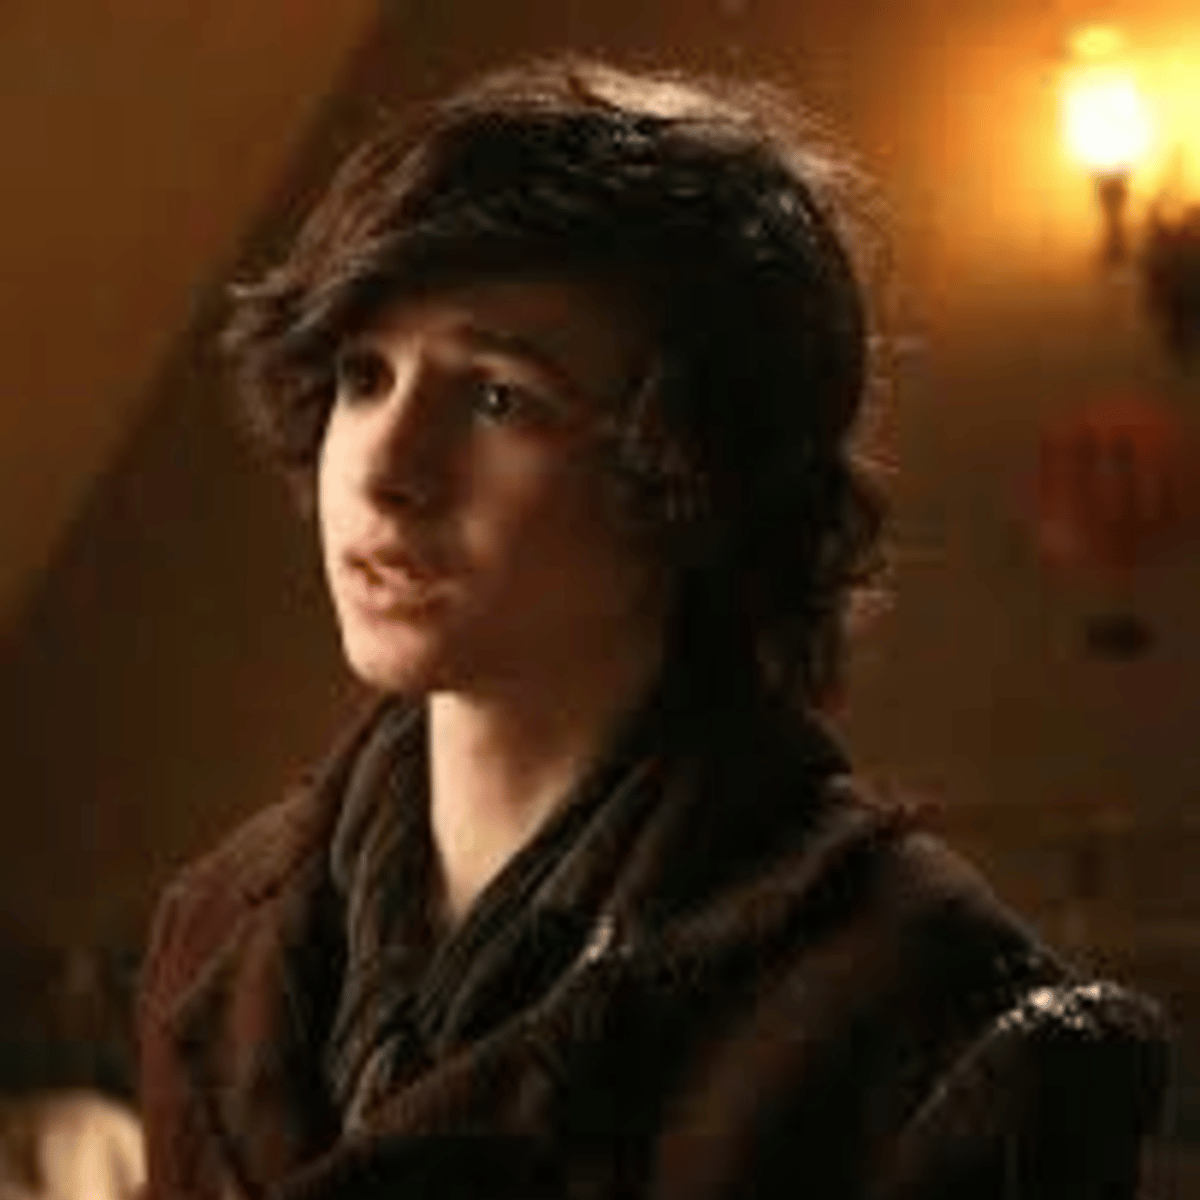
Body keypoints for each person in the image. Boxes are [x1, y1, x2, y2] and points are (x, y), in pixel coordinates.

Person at [135, 56, 1168, 1200]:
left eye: (497, 396)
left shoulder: (923, 1009)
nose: (384, 472)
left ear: (695, 473)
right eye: (363, 376)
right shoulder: (218, 933)